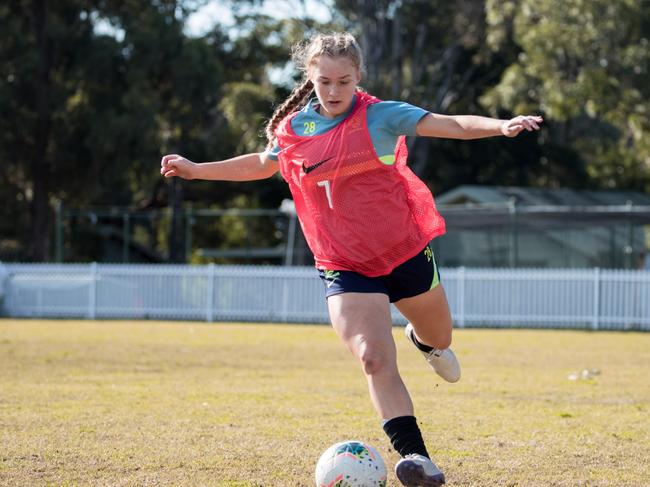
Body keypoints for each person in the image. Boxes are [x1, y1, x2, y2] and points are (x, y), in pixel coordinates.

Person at [160, 32, 542, 487]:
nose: (335, 90)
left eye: (344, 80)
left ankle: (426, 343)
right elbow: (264, 164)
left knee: (440, 334)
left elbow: (451, 124)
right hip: (344, 263)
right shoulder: (294, 131)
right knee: (373, 359)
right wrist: (197, 169)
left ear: (359, 77)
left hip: (404, 252)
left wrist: (500, 126)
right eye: (324, 82)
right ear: (310, 79)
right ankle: (418, 459)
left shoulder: (382, 116)